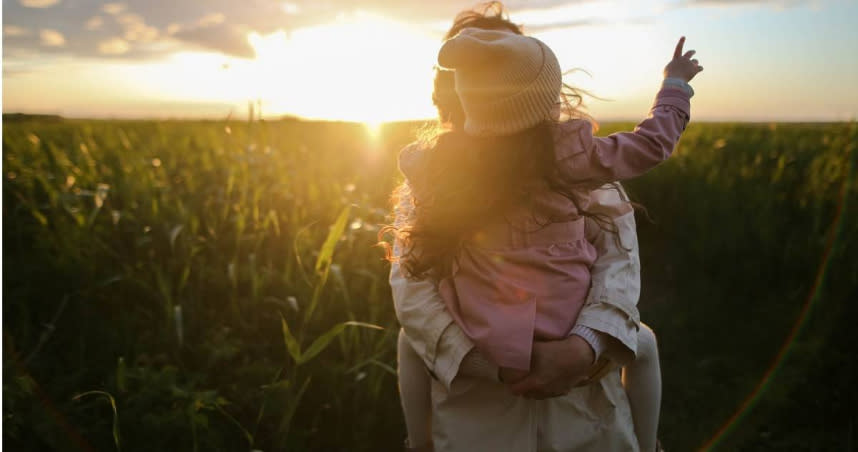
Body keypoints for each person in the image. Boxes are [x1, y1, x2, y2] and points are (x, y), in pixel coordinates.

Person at [387, 5, 702, 451]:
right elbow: (413, 288)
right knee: (644, 342)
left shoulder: (436, 171)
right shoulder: (576, 160)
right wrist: (674, 88)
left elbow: (618, 262)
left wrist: (583, 347)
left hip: (587, 411)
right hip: (474, 415)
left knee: (408, 345)